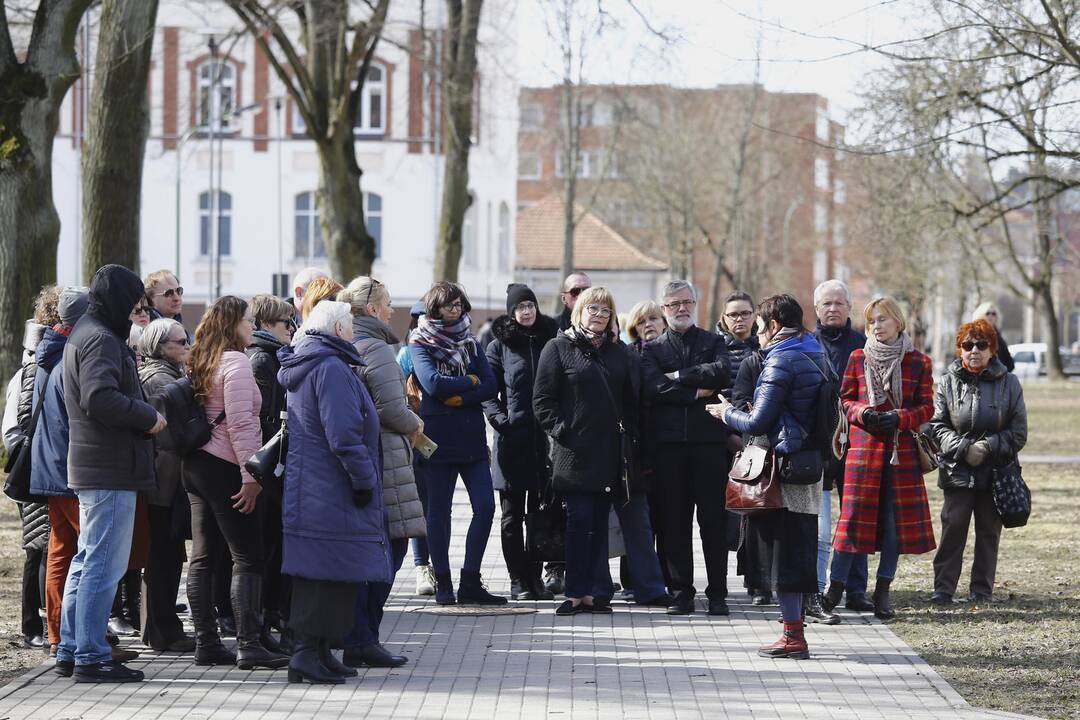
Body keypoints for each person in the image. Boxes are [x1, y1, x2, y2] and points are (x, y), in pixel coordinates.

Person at [58, 265, 167, 682]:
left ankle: (72, 648)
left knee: (88, 561)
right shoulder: (102, 339)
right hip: (109, 466)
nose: (139, 309)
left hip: (98, 465)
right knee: (103, 564)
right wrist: (148, 416)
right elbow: (100, 397)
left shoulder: (89, 332)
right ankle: (90, 655)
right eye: (136, 301)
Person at [277, 301, 392, 684]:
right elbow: (343, 435)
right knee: (324, 575)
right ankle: (306, 655)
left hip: (317, 488)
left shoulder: (319, 364)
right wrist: (363, 480)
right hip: (331, 487)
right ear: (338, 330)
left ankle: (322, 651)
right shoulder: (329, 368)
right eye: (350, 328)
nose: (354, 335)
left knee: (332, 572)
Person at [707, 293, 827, 660]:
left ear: (774, 326)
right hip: (808, 464)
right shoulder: (814, 350)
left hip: (784, 468)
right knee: (799, 549)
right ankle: (794, 631)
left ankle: (793, 637)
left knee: (788, 553)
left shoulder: (781, 359)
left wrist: (725, 413)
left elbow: (758, 420)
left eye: (759, 327)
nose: (757, 335)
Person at [183, 295, 288, 671]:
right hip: (226, 466)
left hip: (195, 465)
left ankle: (206, 642)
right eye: (248, 320)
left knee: (204, 555)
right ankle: (248, 644)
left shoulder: (198, 358)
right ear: (232, 324)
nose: (253, 327)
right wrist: (251, 477)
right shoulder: (237, 363)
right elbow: (243, 426)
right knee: (248, 556)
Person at [826, 296, 937, 621]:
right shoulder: (858, 357)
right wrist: (864, 414)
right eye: (872, 321)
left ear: (898, 323)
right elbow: (844, 399)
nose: (876, 326)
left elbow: (928, 407)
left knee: (893, 527)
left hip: (900, 454)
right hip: (862, 451)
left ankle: (883, 590)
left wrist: (901, 418)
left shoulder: (919, 361)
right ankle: (835, 589)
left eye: (882, 320)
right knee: (851, 523)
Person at [534, 286, 637, 616]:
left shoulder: (618, 353)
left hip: (608, 454)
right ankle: (576, 592)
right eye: (593, 309)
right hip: (573, 454)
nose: (599, 316)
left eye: (606, 311)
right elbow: (542, 401)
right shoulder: (558, 347)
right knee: (578, 522)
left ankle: (596, 592)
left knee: (599, 524)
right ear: (579, 311)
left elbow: (631, 402)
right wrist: (565, 431)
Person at [338, 277, 423, 668]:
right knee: (391, 547)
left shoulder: (348, 341)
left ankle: (359, 634)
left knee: (372, 549)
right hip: (385, 458)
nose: (392, 311)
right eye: (388, 304)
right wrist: (414, 424)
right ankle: (362, 637)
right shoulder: (377, 349)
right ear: (372, 310)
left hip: (365, 456)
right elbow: (391, 408)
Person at [410, 282, 504, 605]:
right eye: (449, 305)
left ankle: (470, 581)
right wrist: (470, 383)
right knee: (439, 513)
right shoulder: (418, 342)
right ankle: (444, 583)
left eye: (459, 305)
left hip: (472, 438)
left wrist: (459, 393)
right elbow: (433, 385)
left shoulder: (471, 342)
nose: (455, 310)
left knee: (486, 506)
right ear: (434, 308)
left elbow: (490, 385)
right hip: (436, 439)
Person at [641, 281, 732, 616]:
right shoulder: (652, 349)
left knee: (714, 523)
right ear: (664, 309)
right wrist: (695, 391)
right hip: (668, 449)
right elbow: (654, 388)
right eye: (675, 303)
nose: (682, 308)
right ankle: (681, 592)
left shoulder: (712, 340)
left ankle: (718, 594)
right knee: (673, 524)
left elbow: (721, 372)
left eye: (688, 302)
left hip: (708, 445)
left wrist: (678, 375)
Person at [930, 319, 1027, 605]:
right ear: (959, 349)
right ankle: (943, 589)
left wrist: (987, 446)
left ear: (992, 349)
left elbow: (1019, 431)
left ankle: (981, 590)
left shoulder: (1009, 382)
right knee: (953, 526)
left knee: (988, 531)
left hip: (995, 471)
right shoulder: (947, 381)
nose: (974, 351)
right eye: (967, 345)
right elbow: (937, 425)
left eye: (981, 345)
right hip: (957, 470)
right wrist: (963, 448)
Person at [483, 284, 559, 601]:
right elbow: (488, 390)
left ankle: (536, 577)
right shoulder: (499, 345)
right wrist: (501, 420)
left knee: (540, 514)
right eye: (520, 307)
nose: (526, 311)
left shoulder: (551, 340)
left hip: (545, 441)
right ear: (512, 312)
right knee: (512, 516)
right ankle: (518, 579)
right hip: (512, 442)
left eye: (530, 305)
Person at [29, 288, 88, 656]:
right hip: (69, 466)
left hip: (51, 464)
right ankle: (77, 635)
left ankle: (58, 634)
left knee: (62, 551)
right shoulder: (67, 355)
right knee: (88, 551)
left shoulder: (47, 353)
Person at [135, 319, 196, 652]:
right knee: (163, 557)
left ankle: (159, 627)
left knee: (166, 556)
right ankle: (162, 631)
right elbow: (169, 434)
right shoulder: (160, 379)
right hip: (163, 483)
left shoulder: (167, 375)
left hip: (164, 480)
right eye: (180, 342)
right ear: (160, 346)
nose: (187, 346)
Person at [5, 285, 60, 650]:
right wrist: (30, 454)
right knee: (37, 547)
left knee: (46, 545)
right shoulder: (31, 369)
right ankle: (32, 624)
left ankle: (43, 622)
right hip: (37, 464)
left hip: (46, 463)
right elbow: (15, 425)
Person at [814, 279, 872, 615]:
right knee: (822, 527)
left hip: (858, 444)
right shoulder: (806, 344)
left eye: (839, 303)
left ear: (849, 308)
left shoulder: (863, 346)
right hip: (820, 447)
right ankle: (820, 588)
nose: (833, 309)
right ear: (817, 309)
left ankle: (856, 588)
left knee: (856, 521)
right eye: (826, 304)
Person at [245, 293, 295, 652]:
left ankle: (269, 616)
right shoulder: (263, 360)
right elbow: (264, 419)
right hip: (267, 465)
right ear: (265, 325)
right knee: (263, 547)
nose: (291, 329)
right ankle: (261, 620)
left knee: (272, 544)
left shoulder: (274, 356)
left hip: (275, 465)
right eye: (284, 324)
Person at [398, 301, 436, 596]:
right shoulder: (407, 354)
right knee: (420, 504)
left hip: (447, 436)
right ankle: (423, 566)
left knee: (439, 507)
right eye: (419, 319)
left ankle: (441, 565)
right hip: (418, 439)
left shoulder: (452, 347)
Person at [971, 302, 1014, 373]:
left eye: (993, 314)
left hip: (999, 377)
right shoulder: (976, 334)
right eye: (987, 313)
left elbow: (1008, 361)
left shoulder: (998, 334)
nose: (991, 316)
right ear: (980, 315)